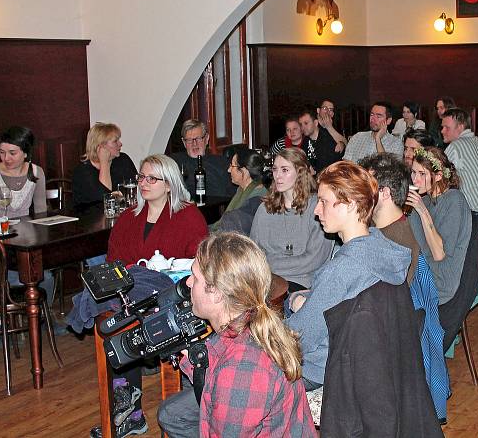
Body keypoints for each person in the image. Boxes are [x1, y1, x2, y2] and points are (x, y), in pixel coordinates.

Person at [89, 154, 208, 438]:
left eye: (152, 178)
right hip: (133, 293)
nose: (144, 183)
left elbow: (199, 261)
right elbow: (113, 260)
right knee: (119, 317)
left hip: (173, 294)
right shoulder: (129, 218)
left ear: (169, 184)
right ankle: (129, 408)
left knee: (127, 317)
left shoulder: (188, 215)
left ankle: (130, 411)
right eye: (141, 177)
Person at [157, 233, 317, 438]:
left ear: (217, 293)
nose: (188, 283)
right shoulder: (247, 325)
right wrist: (192, 360)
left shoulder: (242, 368)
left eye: (195, 277)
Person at [285, 160, 411, 391]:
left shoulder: (344, 268)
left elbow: (297, 338)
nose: (316, 210)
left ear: (351, 205)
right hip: (362, 364)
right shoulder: (381, 250)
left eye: (324, 202)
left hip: (322, 368)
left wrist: (293, 302)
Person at [249, 148, 333, 292]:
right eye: (275, 170)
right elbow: (252, 254)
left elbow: (314, 260)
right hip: (266, 280)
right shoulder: (265, 209)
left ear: (300, 173)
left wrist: (268, 264)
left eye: (285, 170)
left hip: (303, 284)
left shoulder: (317, 208)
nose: (278, 176)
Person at [407, 147, 472, 305]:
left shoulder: (454, 200)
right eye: (413, 172)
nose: (415, 180)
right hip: (420, 271)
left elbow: (439, 255)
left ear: (438, 176)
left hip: (441, 282)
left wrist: (422, 211)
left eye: (422, 174)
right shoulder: (426, 200)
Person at [0, 126, 52, 299]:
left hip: (25, 242)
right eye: (2, 153)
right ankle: (4, 317)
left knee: (46, 277)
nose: (6, 158)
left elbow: (41, 211)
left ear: (25, 152)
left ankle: (39, 321)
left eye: (12, 153)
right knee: (21, 278)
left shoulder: (36, 172)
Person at [359, 152, 421, 283]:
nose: (360, 193)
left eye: (366, 187)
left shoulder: (400, 241)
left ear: (385, 193)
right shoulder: (372, 227)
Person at [441, 107, 478, 214]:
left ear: (460, 127)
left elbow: (438, 177)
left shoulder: (455, 147)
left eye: (447, 127)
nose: (442, 131)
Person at [72, 122, 138, 211]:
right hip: (90, 220)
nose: (120, 144)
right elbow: (104, 200)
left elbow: (137, 188)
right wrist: (104, 163)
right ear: (101, 146)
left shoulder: (123, 160)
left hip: (122, 215)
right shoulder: (83, 171)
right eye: (115, 141)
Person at [170, 119, 235, 199]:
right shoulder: (174, 163)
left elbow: (234, 193)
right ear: (184, 142)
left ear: (206, 139)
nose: (194, 144)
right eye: (189, 140)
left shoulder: (221, 162)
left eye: (198, 139)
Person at [210, 146, 267, 232]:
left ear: (244, 171)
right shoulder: (241, 189)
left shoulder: (257, 196)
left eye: (232, 166)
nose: (229, 170)